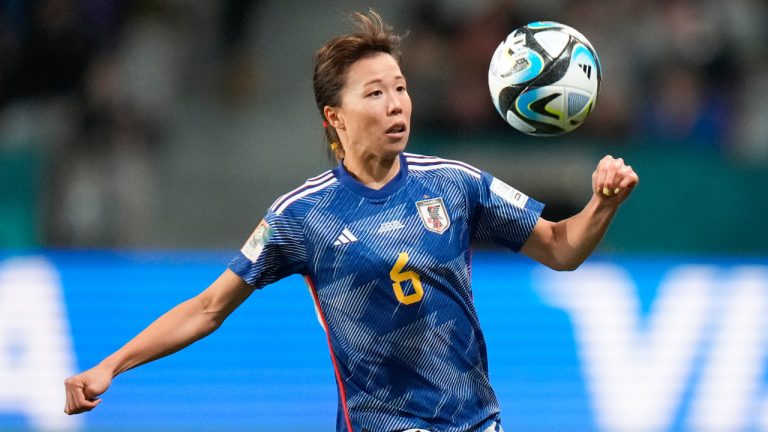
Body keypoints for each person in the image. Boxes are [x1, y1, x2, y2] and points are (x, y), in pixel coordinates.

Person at [64, 10, 639, 432]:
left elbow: (561, 248)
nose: (397, 104)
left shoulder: (454, 182)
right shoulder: (301, 216)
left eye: (401, 88)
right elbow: (208, 308)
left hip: (476, 423)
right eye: (376, 93)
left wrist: (603, 203)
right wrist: (112, 365)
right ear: (334, 118)